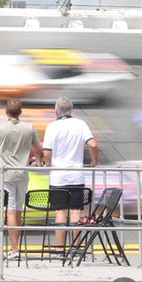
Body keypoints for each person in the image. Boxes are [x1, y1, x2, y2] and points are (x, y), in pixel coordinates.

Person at [0, 97, 43, 260]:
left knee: (11, 211)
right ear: (20, 112)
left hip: (6, 174)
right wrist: (39, 162)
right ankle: (16, 246)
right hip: (22, 173)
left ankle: (14, 249)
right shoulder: (29, 128)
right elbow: (37, 150)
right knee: (18, 211)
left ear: (6, 112)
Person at [41, 96, 98, 248]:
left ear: (56, 111)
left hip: (58, 177)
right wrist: (94, 162)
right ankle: (76, 247)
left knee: (60, 212)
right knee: (75, 212)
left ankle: (60, 249)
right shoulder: (81, 124)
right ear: (71, 110)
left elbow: (46, 154)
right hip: (76, 176)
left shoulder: (52, 126)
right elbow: (92, 144)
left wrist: (46, 163)